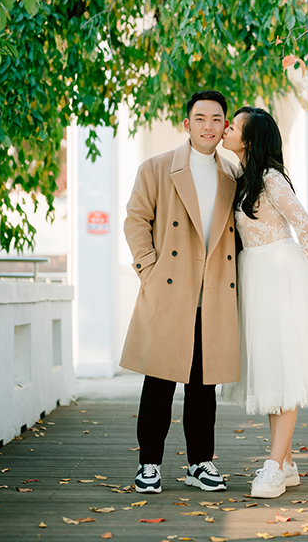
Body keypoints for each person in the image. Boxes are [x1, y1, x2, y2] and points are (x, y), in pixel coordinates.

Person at [220, 107, 308, 498]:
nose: (227, 128)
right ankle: (286, 462)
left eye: (234, 125)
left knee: (283, 374)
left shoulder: (269, 178)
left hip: (280, 276)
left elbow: (306, 226)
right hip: (255, 276)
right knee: (270, 373)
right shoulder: (243, 178)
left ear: (250, 138)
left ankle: (273, 466)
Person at [121, 91, 241, 494]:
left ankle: (200, 463)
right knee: (159, 382)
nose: (209, 125)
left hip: (214, 296)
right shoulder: (156, 168)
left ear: (226, 126)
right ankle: (149, 463)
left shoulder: (233, 175)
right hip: (170, 290)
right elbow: (136, 219)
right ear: (186, 124)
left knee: (204, 387)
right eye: (200, 117)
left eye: (217, 118)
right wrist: (150, 271)